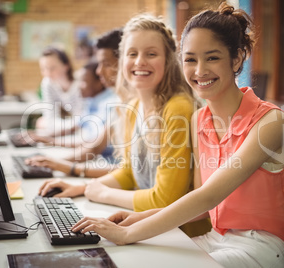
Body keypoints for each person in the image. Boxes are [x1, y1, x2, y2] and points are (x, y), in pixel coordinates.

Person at [71, 3, 284, 268]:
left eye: (213, 57)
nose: (199, 70)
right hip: (216, 237)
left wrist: (127, 233)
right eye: (190, 59)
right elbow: (204, 202)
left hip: (263, 245)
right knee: (132, 260)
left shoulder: (270, 121)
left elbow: (208, 197)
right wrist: (141, 217)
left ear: (238, 58)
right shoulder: (199, 119)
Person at [39, 14, 212, 237]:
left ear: (168, 61)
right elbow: (130, 172)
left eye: (151, 54)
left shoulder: (177, 108)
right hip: (149, 225)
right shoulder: (133, 106)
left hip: (181, 235)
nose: (140, 61)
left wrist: (102, 194)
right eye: (132, 53)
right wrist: (83, 188)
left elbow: (164, 199)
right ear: (122, 61)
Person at [26, 29, 124, 178]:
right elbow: (94, 145)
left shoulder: (112, 102)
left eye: (106, 64)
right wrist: (55, 162)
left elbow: (94, 145)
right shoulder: (114, 102)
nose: (99, 71)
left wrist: (65, 165)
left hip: (107, 169)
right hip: (105, 168)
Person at [35, 46, 83, 136]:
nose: (47, 73)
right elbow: (50, 121)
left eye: (52, 68)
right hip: (72, 130)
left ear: (66, 66)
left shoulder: (81, 83)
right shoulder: (47, 83)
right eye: (43, 69)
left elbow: (85, 121)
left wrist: (52, 125)